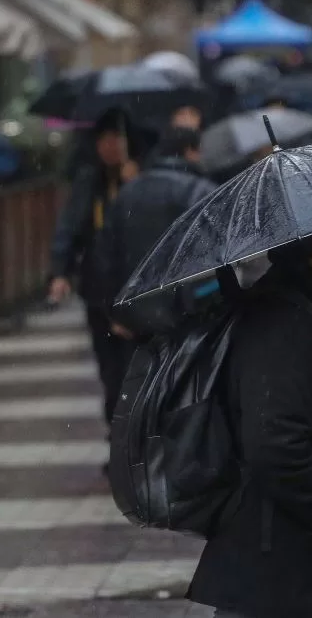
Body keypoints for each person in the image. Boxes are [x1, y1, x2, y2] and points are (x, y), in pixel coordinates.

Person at [187, 215, 312, 618]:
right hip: (284, 575)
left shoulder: (309, 307)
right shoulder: (287, 319)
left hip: (303, 569)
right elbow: (273, 443)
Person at [94, 127, 216, 399]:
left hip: (137, 317)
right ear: (190, 151)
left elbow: (105, 257)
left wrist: (114, 311)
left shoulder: (128, 193)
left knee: (139, 393)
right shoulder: (201, 191)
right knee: (187, 395)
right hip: (188, 317)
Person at [47, 108, 142, 429]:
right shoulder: (89, 181)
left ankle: (133, 432)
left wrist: (135, 185)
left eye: (117, 139)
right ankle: (117, 431)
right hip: (98, 291)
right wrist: (60, 272)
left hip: (136, 287)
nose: (111, 147)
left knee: (135, 368)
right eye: (105, 141)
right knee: (110, 370)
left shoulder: (141, 177)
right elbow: (69, 227)